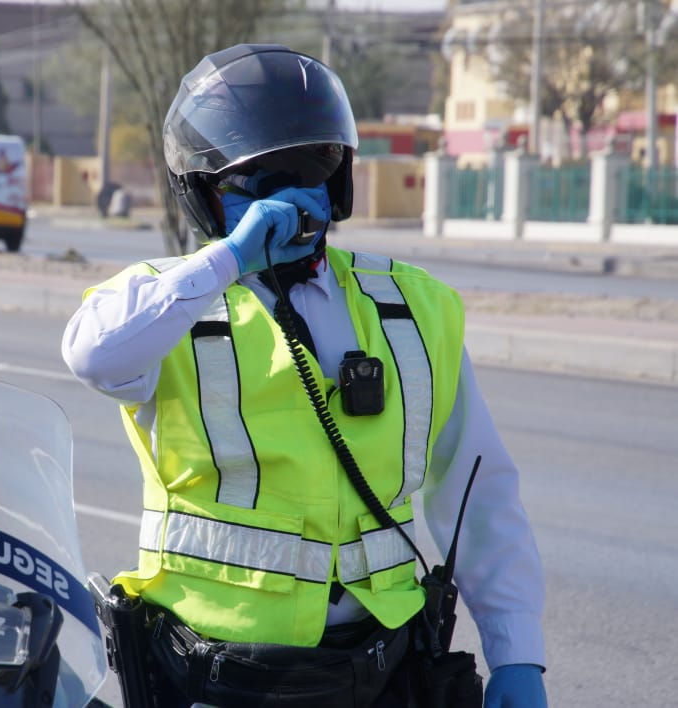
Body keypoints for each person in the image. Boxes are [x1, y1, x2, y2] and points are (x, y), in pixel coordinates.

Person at [63, 44, 546, 708]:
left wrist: (518, 656)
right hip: (222, 676)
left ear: (341, 179)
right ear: (203, 196)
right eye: (253, 183)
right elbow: (93, 355)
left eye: (309, 168)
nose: (285, 201)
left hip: (388, 667)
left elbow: (481, 494)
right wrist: (230, 259)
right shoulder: (171, 303)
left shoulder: (412, 306)